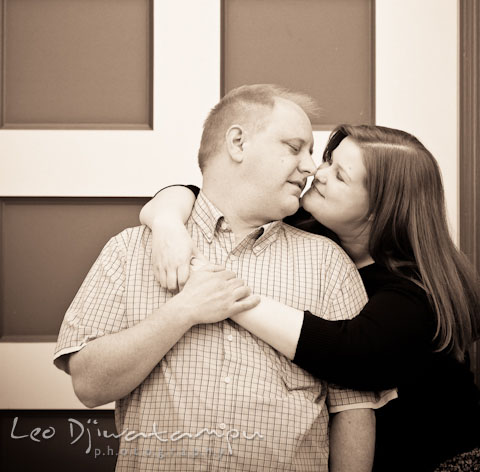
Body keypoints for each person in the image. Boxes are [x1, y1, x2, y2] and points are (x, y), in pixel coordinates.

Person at [54, 85, 393, 472]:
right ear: (237, 143)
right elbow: (89, 386)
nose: (311, 167)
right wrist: (183, 311)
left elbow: (353, 409)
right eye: (294, 147)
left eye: (311, 153)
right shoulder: (131, 249)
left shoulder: (328, 263)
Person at [140, 123, 480, 472]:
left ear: (380, 208)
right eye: (328, 159)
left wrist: (216, 291)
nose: (318, 173)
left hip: (443, 462)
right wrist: (168, 223)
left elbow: (349, 354)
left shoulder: (414, 292)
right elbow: (201, 194)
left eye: (340, 175)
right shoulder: (305, 225)